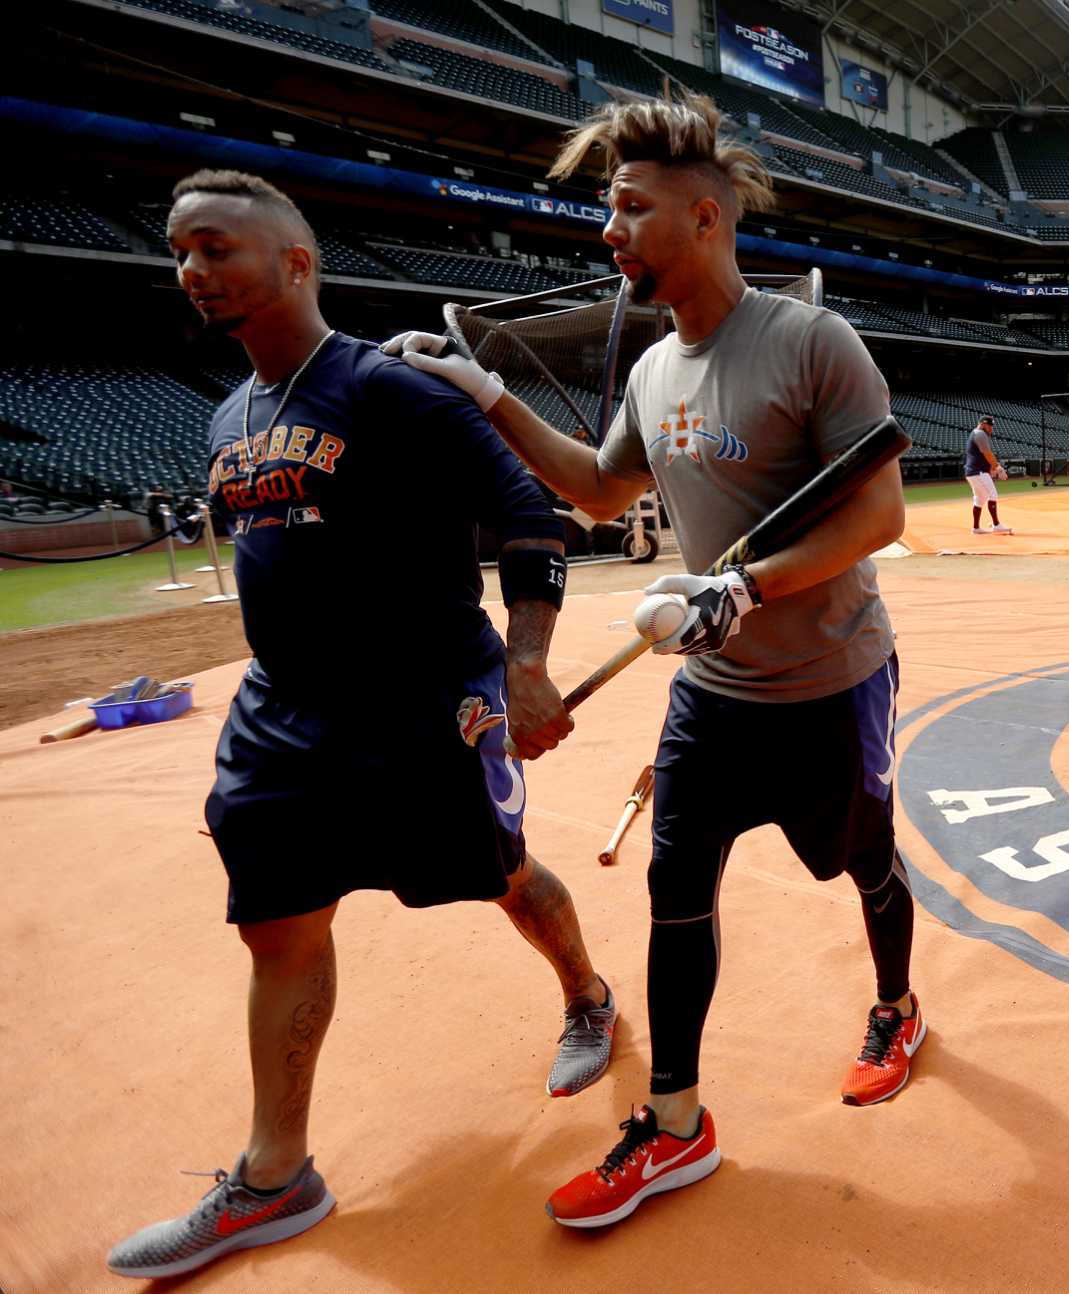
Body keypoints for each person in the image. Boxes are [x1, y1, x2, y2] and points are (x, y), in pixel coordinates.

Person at [383, 92, 918, 1230]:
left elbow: (878, 513)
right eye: (609, 208)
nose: (608, 230)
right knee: (676, 888)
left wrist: (743, 587)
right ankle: (675, 1123)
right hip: (713, 696)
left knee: (863, 860)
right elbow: (596, 489)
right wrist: (484, 396)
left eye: (631, 208)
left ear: (707, 218)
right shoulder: (649, 374)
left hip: (829, 681)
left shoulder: (809, 341)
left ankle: (897, 1004)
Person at [110, 170, 613, 1280]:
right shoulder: (227, 413)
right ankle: (276, 1171)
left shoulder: (387, 389)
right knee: (279, 924)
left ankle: (587, 994)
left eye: (216, 248)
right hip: (281, 717)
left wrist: (525, 665)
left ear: (295, 261)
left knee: (502, 875)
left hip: (428, 703)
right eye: (179, 251)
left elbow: (531, 517)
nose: (193, 271)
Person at [963, 414, 1010, 534]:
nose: (991, 429)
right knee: (993, 494)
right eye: (989, 426)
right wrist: (998, 468)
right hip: (977, 472)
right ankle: (996, 524)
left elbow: (983, 456)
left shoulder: (977, 433)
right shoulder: (980, 434)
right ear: (983, 424)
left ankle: (976, 528)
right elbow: (987, 454)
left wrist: (991, 468)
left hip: (973, 472)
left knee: (980, 499)